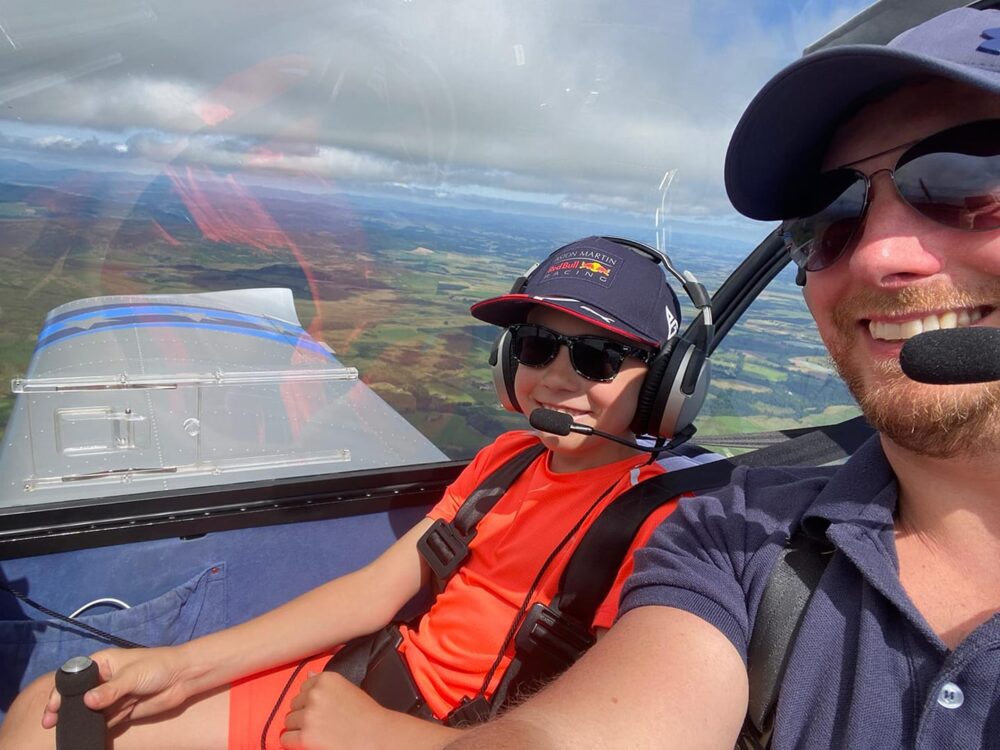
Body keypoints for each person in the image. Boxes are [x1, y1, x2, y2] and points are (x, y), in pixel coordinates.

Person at [398, 7, 999, 749]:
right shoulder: (736, 536)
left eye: (972, 181)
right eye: (828, 217)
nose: (879, 255)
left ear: (669, 383)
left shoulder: (663, 510)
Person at [0, 235, 691, 749]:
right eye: (538, 348)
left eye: (600, 357)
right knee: (49, 717)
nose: (560, 381)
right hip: (370, 686)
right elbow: (375, 591)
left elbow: (609, 729)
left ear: (667, 386)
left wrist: (386, 739)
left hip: (450, 737)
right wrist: (182, 666)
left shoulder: (661, 525)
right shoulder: (506, 460)